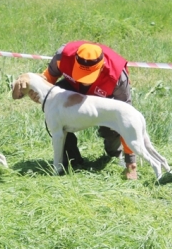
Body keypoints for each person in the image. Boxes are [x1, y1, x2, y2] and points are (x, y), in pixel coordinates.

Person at [40, 41, 138, 180]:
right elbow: (46, 80)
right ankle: (73, 160)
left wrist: (131, 163)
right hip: (71, 90)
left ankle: (115, 153)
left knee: (111, 130)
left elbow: (126, 119)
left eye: (88, 77)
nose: (84, 81)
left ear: (101, 67)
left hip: (104, 98)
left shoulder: (117, 77)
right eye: (80, 74)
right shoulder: (62, 56)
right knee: (55, 116)